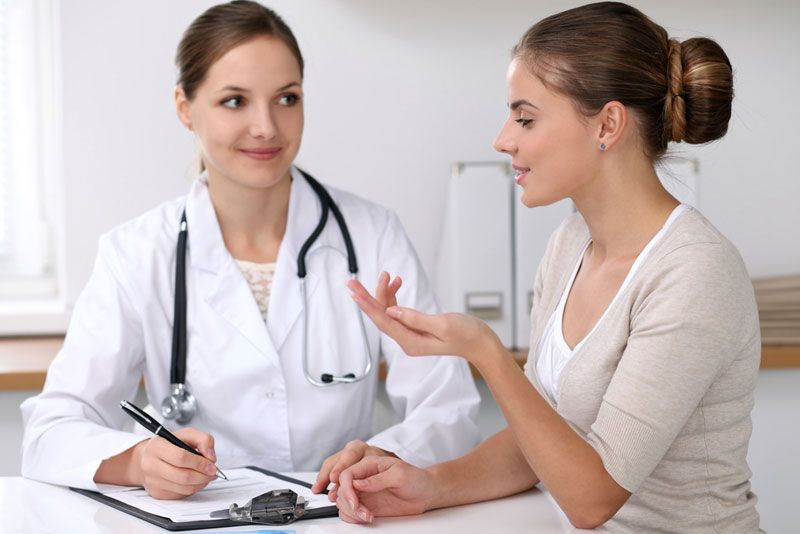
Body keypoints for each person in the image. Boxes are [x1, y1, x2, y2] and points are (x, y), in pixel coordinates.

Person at [20, 0, 480, 500]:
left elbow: (448, 407)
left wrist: (384, 455)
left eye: (286, 99)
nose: (265, 126)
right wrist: (138, 461)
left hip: (336, 514)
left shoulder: (372, 235)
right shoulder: (136, 253)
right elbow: (52, 429)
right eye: (235, 101)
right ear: (184, 107)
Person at [333, 2, 761, 531]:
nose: (503, 139)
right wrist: (428, 485)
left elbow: (590, 498)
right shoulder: (570, 244)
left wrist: (485, 352)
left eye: (525, 117)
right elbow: (541, 438)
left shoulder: (694, 273)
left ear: (607, 124)